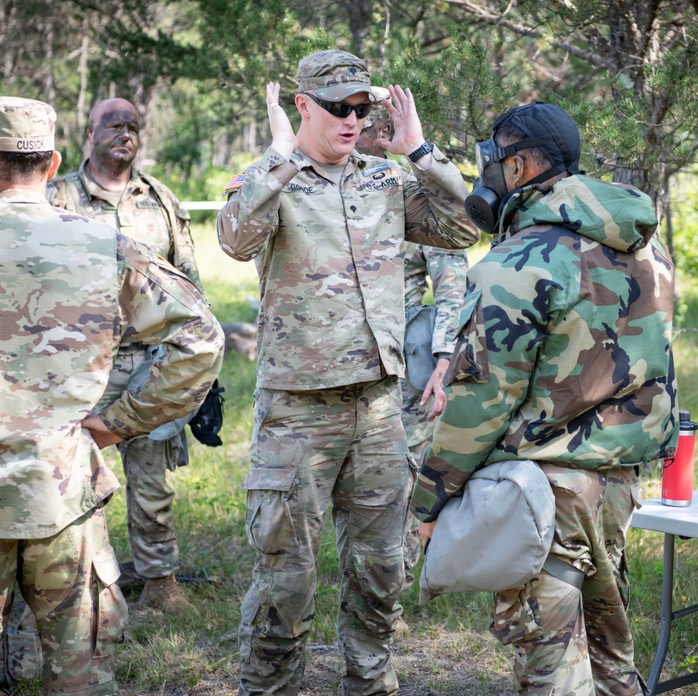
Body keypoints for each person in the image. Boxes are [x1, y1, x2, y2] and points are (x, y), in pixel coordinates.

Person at [216, 49, 478, 695]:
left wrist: (422, 154)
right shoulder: (273, 178)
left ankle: (369, 682)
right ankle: (270, 687)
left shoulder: (384, 180)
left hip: (379, 408)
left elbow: (468, 225)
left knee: (382, 567)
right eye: (339, 107)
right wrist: (277, 157)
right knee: (287, 576)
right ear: (302, 105)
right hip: (299, 412)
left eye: (363, 108)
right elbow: (234, 240)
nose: (353, 119)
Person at [411, 102, 679, 696]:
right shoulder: (646, 247)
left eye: (493, 161)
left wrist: (429, 500)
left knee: (552, 663)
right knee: (611, 650)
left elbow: (481, 400)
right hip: (619, 482)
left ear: (523, 165)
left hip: (546, 496)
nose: (487, 174)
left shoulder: (515, 262)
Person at [0, 96, 224, 695]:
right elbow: (201, 339)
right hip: (64, 491)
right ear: (53, 165)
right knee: (79, 679)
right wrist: (118, 424)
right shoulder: (103, 245)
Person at [47, 97, 204, 614]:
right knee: (66, 477)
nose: (124, 133)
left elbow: (187, 280)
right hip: (78, 364)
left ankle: (159, 579)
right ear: (89, 131)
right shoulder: (58, 197)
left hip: (149, 364)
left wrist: (197, 373)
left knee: (153, 477)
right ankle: (69, 581)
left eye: (132, 126)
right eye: (113, 124)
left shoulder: (160, 199)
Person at [353, 87, 469, 594]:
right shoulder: (311, 185)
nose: (358, 127)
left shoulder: (406, 193)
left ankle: (392, 590)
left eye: (369, 119)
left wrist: (444, 360)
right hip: (336, 365)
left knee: (399, 479)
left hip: (403, 367)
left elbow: (451, 280)